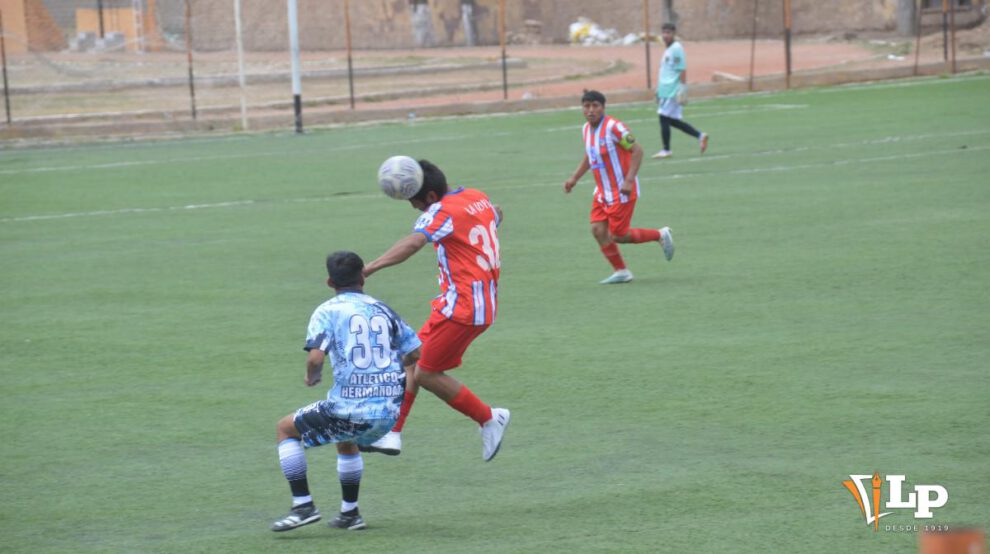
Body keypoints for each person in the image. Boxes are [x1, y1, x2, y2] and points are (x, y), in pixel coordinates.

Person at [360, 159, 510, 462]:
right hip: (468, 303)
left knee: (427, 373)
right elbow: (497, 214)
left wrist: (370, 268)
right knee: (410, 357)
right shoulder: (475, 196)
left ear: (428, 197)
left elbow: (413, 243)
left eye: (414, 202)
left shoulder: (440, 212)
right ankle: (393, 433)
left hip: (464, 308)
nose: (415, 209)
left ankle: (489, 418)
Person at [270, 251, 421, 533]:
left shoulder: (327, 311)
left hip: (351, 409)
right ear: (363, 275)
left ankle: (303, 506)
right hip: (389, 414)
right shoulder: (383, 308)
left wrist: (312, 375)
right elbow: (415, 354)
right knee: (345, 437)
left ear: (330, 282)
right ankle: (350, 514)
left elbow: (315, 358)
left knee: (285, 429)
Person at [563, 89, 675, 285]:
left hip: (621, 191)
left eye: (595, 106)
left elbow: (637, 151)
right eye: (587, 106)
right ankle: (621, 271)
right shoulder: (586, 130)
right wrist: (574, 178)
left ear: (603, 108)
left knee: (619, 235)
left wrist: (629, 180)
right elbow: (590, 156)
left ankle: (660, 235)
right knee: (598, 230)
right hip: (602, 192)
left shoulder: (614, 128)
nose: (590, 110)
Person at [653, 22, 708, 159]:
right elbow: (666, 71)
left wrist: (682, 88)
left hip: (672, 90)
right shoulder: (668, 49)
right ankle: (700, 136)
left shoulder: (676, 49)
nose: (665, 35)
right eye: (664, 32)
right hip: (665, 90)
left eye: (668, 33)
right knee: (672, 121)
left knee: (663, 117)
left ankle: (666, 150)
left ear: (674, 34)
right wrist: (658, 89)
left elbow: (681, 69)